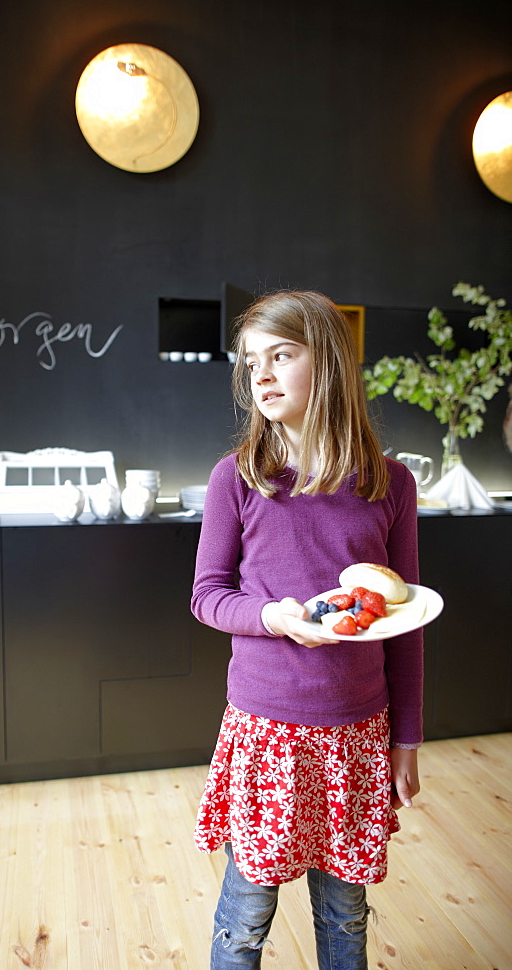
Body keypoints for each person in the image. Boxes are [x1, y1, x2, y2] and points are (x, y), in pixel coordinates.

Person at [191, 290, 423, 970]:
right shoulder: (238, 479)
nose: (260, 376)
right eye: (250, 362)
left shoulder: (392, 485)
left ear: (328, 364)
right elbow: (208, 597)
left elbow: (405, 626)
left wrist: (406, 740)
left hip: (357, 732)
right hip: (267, 731)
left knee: (345, 919)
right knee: (245, 916)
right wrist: (274, 618)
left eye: (281, 356)